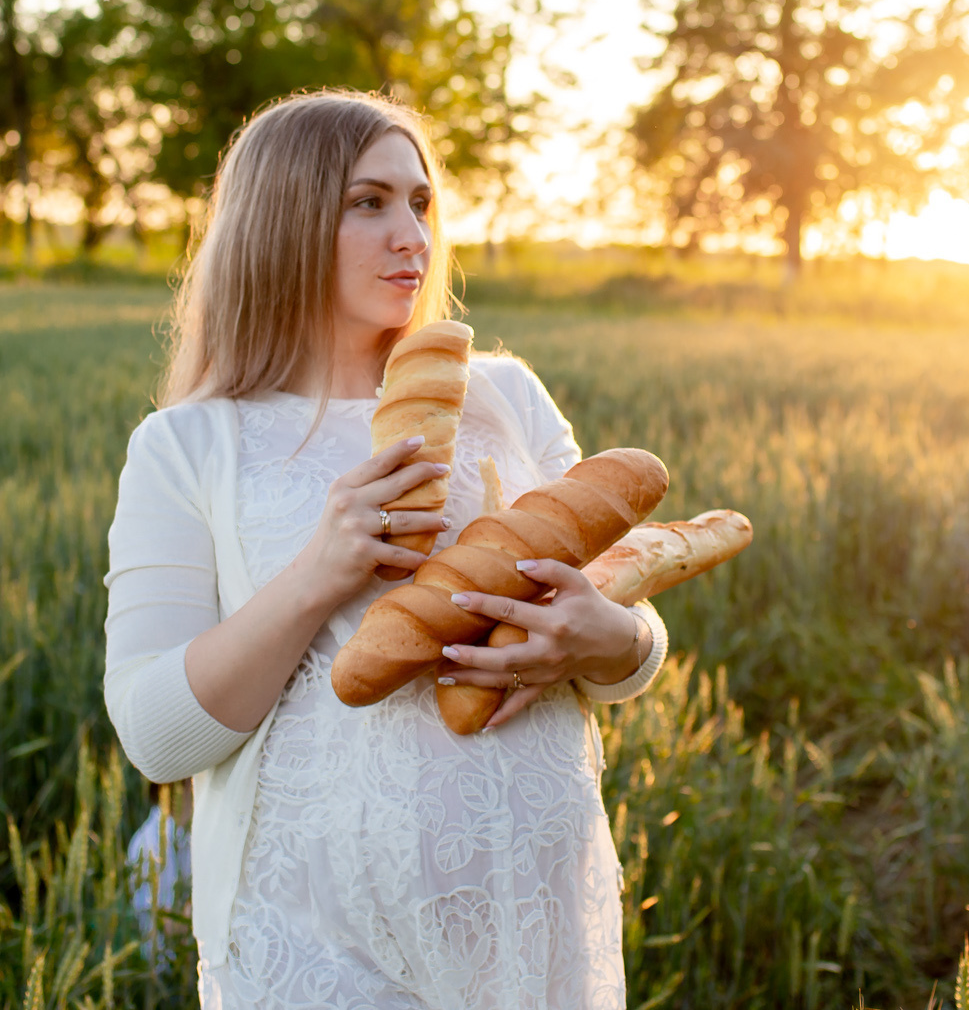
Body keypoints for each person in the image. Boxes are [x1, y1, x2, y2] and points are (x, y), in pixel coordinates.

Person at [102, 89, 670, 1009]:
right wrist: (318, 573)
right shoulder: (190, 445)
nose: (410, 233)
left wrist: (611, 639)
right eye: (367, 202)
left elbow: (625, 620)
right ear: (284, 221)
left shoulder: (506, 397)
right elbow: (156, 733)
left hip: (530, 917)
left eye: (420, 201)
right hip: (316, 941)